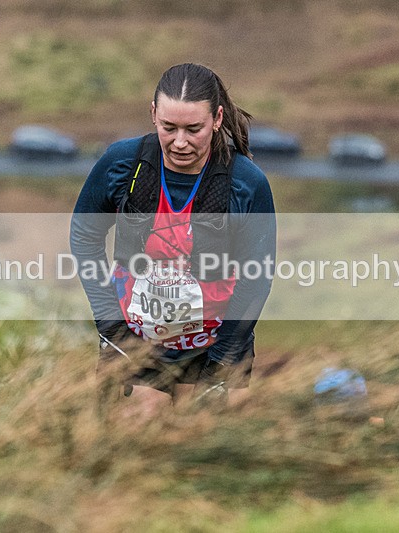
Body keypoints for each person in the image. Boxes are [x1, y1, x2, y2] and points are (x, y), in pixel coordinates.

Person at [70, 63, 276, 416]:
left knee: (207, 442)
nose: (180, 142)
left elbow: (256, 278)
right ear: (153, 114)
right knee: (137, 441)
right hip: (135, 341)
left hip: (217, 342)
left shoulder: (247, 182)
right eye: (169, 127)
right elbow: (84, 236)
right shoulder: (123, 163)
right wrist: (111, 328)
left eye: (194, 129)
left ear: (217, 118)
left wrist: (221, 362)